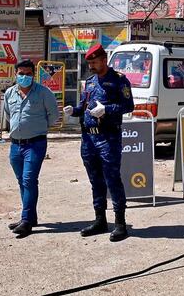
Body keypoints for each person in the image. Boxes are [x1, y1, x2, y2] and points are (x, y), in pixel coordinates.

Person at [64, 44, 133, 242]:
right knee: (95, 180)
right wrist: (74, 111)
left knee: (112, 179)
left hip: (108, 137)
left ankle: (120, 223)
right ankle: (100, 219)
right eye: (89, 63)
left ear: (104, 60)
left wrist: (107, 109)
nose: (91, 66)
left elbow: (128, 105)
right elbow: (84, 105)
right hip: (88, 138)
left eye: (94, 62)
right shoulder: (91, 81)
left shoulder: (119, 80)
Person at [3, 59, 59, 238]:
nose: (24, 77)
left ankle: (26, 220)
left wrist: (38, 128)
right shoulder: (9, 93)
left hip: (35, 144)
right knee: (22, 181)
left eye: (28, 74)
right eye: (21, 74)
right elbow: (8, 114)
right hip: (15, 145)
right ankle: (30, 217)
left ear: (33, 75)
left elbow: (53, 115)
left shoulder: (44, 93)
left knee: (29, 179)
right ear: (15, 74)